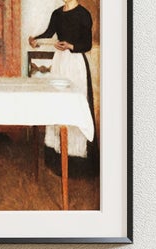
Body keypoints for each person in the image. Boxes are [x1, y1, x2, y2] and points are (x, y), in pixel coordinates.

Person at [31, 0, 97, 175]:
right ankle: (57, 156)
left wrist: (71, 46)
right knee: (57, 104)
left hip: (75, 65)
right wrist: (35, 40)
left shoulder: (83, 14)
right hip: (59, 63)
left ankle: (77, 160)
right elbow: (49, 33)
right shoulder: (57, 14)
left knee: (75, 105)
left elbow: (87, 44)